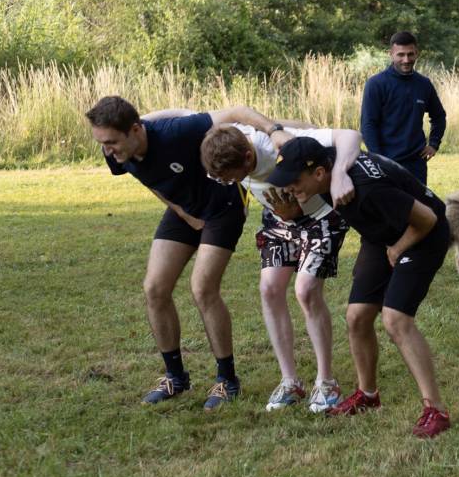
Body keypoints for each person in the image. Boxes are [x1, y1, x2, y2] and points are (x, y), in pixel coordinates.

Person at [85, 97, 307, 410]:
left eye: (111, 142)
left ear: (135, 130)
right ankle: (175, 377)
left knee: (202, 288)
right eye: (102, 143)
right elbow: (149, 178)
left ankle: (227, 380)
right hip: (184, 209)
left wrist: (275, 131)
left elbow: (237, 111)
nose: (107, 150)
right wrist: (182, 213)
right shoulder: (116, 151)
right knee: (154, 288)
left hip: (222, 206)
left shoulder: (176, 132)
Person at [268, 137, 452, 438]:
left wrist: (398, 248)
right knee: (356, 317)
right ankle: (368, 396)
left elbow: (428, 219)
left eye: (294, 181)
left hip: (423, 234)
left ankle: (436, 410)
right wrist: (294, 214)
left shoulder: (367, 189)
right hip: (382, 234)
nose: (289, 188)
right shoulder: (329, 166)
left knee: (395, 319)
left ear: (319, 173)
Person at [200, 122, 362, 413]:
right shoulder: (226, 145)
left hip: (321, 218)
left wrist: (339, 173)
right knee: (270, 289)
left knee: (306, 291)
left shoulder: (279, 143)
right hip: (279, 220)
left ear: (248, 158)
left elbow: (350, 135)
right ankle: (290, 382)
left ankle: (326, 382)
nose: (229, 183)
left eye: (232, 178)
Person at [360, 31, 447, 184]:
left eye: (410, 54)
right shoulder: (376, 84)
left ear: (416, 53)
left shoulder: (424, 84)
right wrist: (378, 160)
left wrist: (434, 144)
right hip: (386, 163)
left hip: (416, 164)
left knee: (418, 200)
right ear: (391, 54)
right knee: (390, 200)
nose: (406, 60)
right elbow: (368, 125)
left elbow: (439, 116)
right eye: (400, 55)